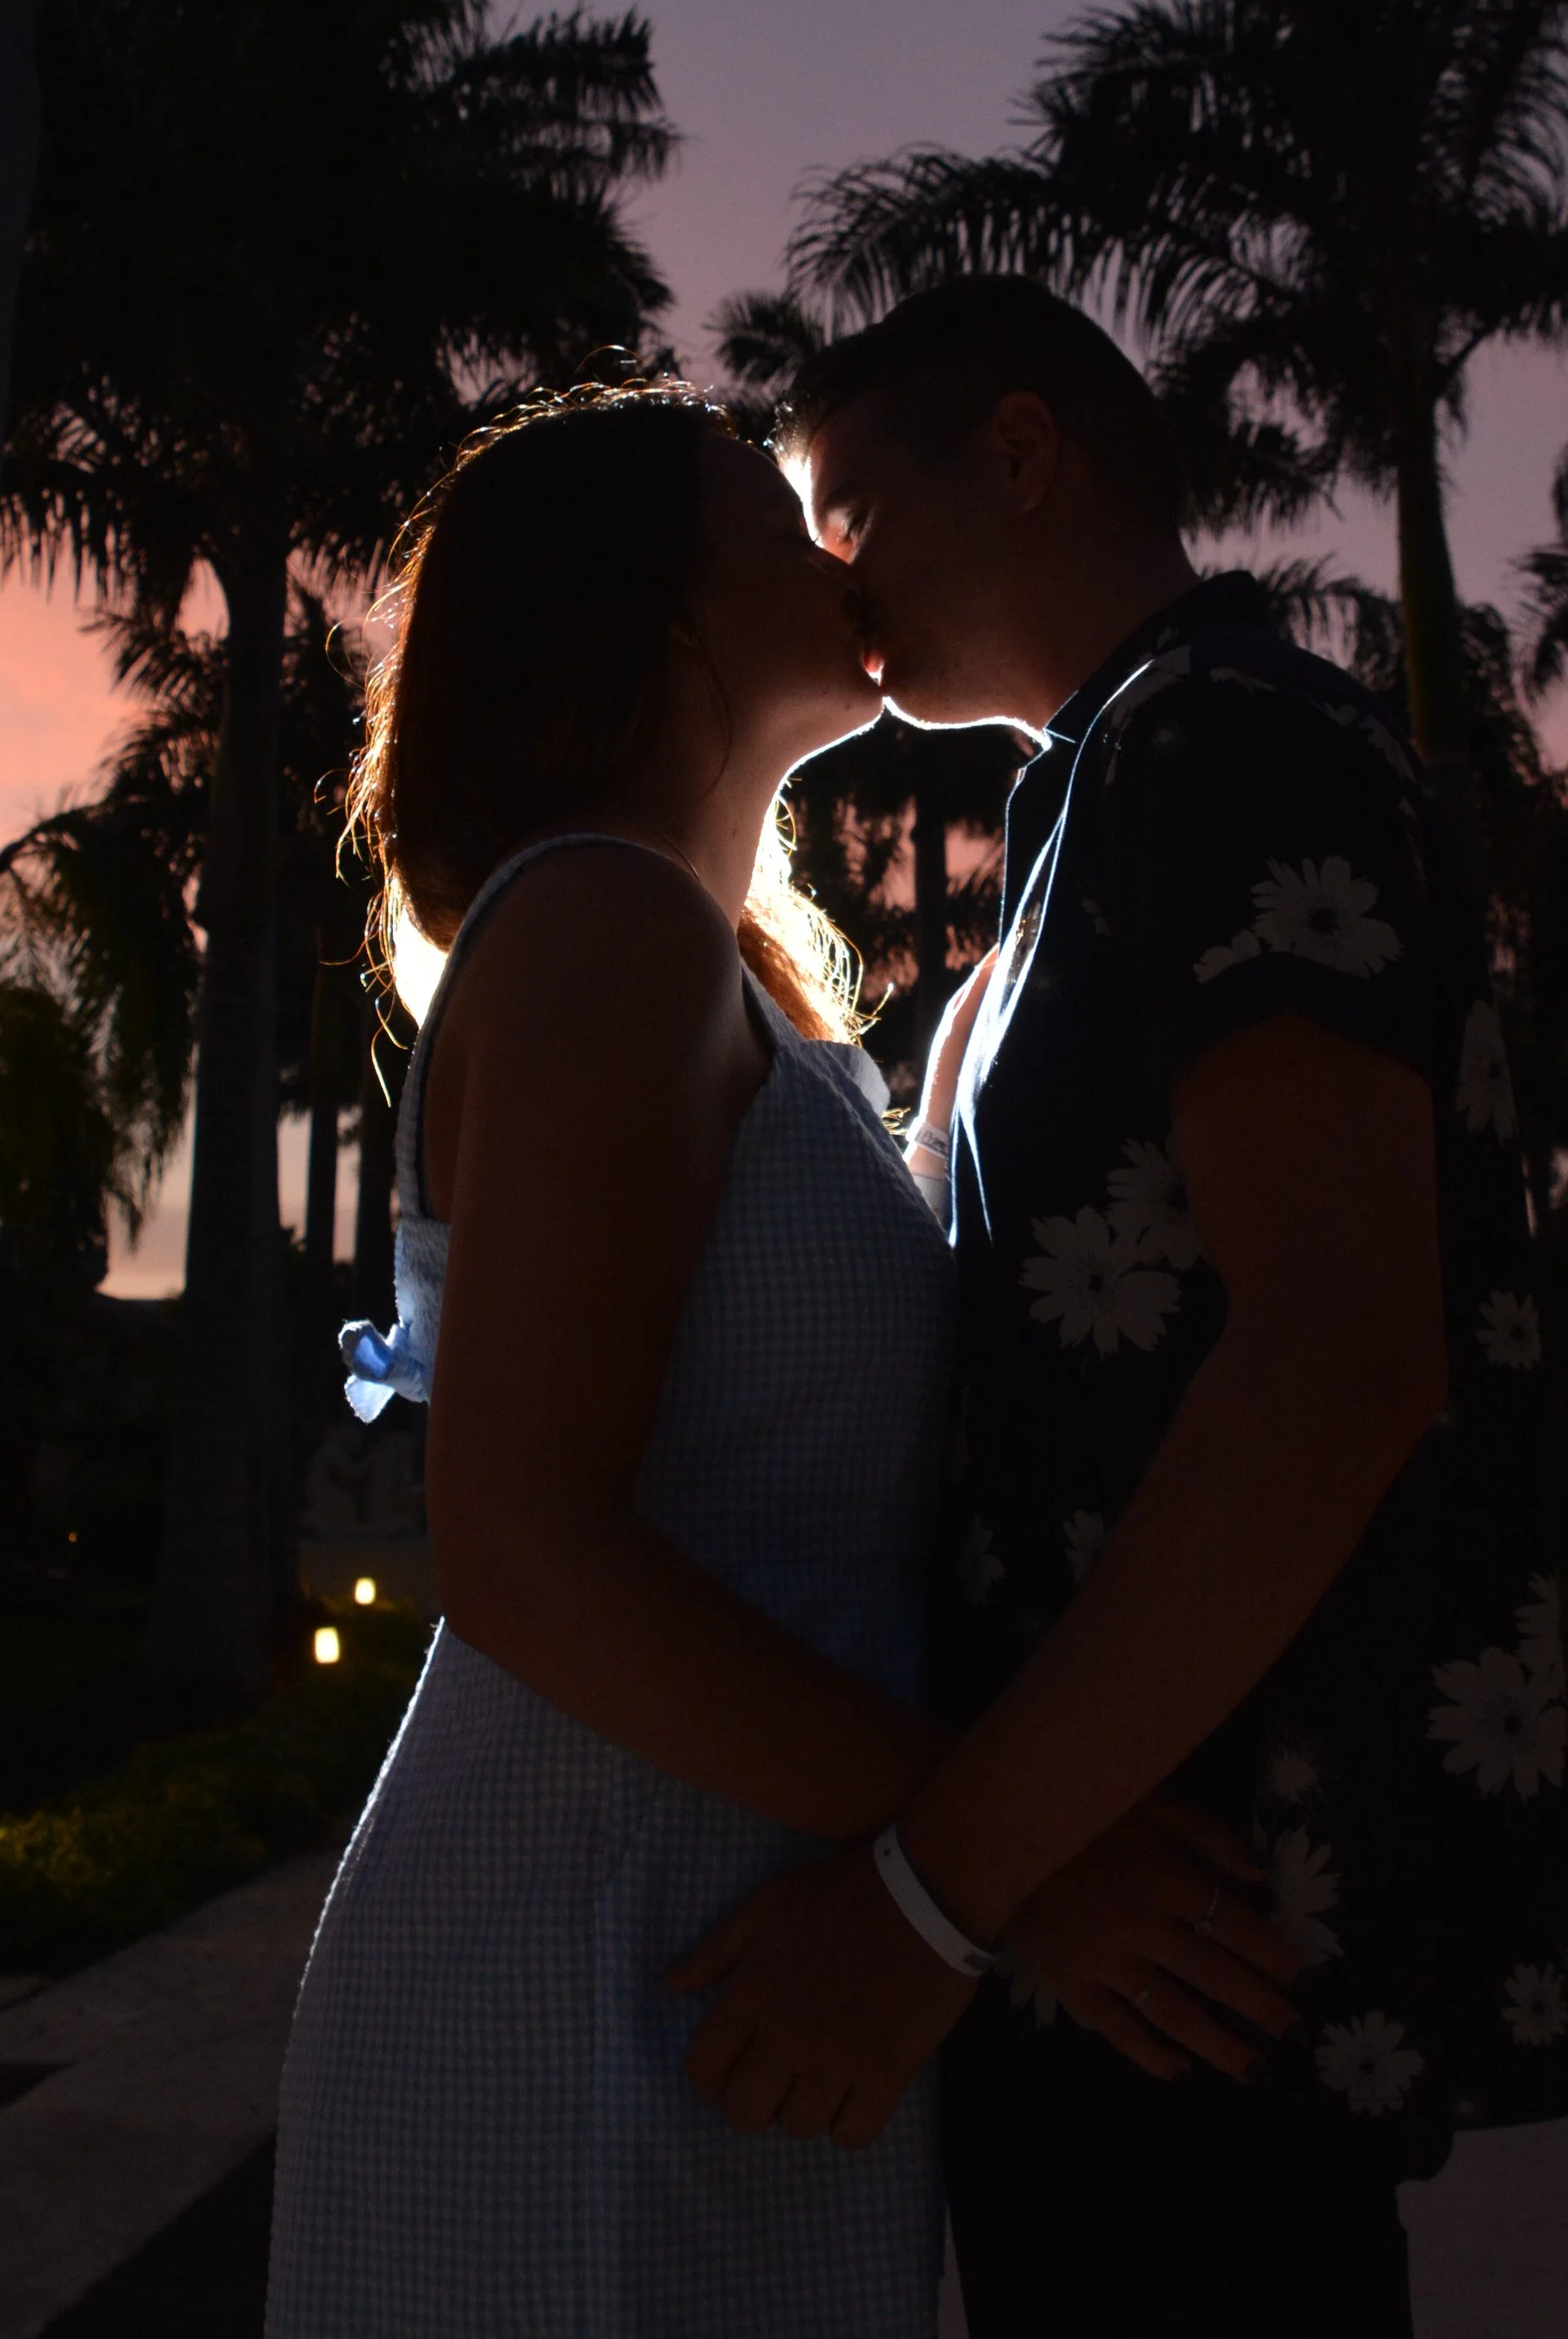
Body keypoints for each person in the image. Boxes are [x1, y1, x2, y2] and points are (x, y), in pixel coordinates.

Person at [265, 375, 1282, 2339]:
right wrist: (991, 1861)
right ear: (661, 613)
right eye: (768, 517)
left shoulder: (706, 965)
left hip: (729, 1968)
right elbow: (524, 1553)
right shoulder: (598, 929)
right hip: (576, 1969)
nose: (832, 548)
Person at [675, 280, 1568, 2339]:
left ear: (1014, 455)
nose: (838, 580)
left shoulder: (1222, 749)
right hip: (1136, 1922)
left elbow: (1336, 1357)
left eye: (846, 515)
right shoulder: (1115, 789)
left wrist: (931, 1894)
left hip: (1202, 1940)